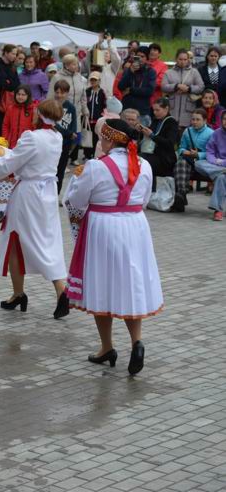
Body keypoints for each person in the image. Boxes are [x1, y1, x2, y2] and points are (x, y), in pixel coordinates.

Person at [65, 119, 162, 375]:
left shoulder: (95, 167)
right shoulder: (144, 164)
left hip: (104, 226)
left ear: (108, 140)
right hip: (135, 225)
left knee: (102, 284)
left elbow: (76, 199)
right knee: (132, 281)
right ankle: (136, 342)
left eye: (101, 137)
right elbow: (144, 199)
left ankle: (107, 346)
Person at [0, 99, 70, 318]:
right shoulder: (57, 137)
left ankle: (54, 291)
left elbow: (7, 165)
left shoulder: (32, 137)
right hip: (48, 194)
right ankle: (25, 293)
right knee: (46, 241)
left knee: (17, 241)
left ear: (40, 115)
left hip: (29, 194)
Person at [172, 109, 214, 212]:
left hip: (203, 162)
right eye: (193, 119)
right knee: (180, 163)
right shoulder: (187, 131)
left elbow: (212, 153)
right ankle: (181, 194)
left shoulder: (211, 133)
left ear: (204, 121)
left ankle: (180, 196)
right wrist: (184, 152)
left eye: (198, 120)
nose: (194, 122)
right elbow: (181, 148)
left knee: (181, 166)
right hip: (189, 160)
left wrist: (198, 154)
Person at [50, 54, 90, 163]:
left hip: (76, 112)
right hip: (60, 112)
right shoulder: (57, 77)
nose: (76, 66)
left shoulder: (79, 77)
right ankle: (58, 160)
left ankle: (66, 157)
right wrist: (51, 110)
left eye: (77, 63)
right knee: (62, 137)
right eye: (73, 64)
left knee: (76, 138)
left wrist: (85, 109)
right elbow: (50, 95)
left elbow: (83, 95)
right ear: (66, 65)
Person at [135, 97, 179, 187]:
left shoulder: (171, 122)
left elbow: (170, 143)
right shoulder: (156, 120)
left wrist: (152, 136)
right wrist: (141, 130)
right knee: (136, 158)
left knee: (140, 161)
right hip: (152, 154)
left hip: (165, 158)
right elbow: (149, 135)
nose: (155, 112)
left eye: (157, 110)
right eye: (154, 110)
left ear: (166, 108)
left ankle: (143, 188)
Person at [161, 49, 204, 130]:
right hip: (172, 108)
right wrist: (176, 86)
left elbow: (201, 87)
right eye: (180, 59)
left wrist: (189, 88)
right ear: (176, 59)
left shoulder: (194, 72)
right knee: (171, 132)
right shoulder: (169, 72)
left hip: (188, 108)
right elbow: (163, 87)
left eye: (185, 59)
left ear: (188, 60)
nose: (183, 61)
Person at [195, 112, 226, 220]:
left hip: (221, 164)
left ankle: (218, 210)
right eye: (224, 119)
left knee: (222, 178)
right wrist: (214, 162)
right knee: (198, 163)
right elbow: (210, 151)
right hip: (215, 165)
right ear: (222, 120)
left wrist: (221, 163)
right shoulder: (216, 133)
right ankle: (222, 171)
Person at [118, 47, 156, 125]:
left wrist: (131, 90)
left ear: (147, 58)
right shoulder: (129, 70)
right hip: (127, 110)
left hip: (142, 111)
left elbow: (149, 91)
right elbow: (120, 86)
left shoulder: (150, 72)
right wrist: (130, 72)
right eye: (138, 56)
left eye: (143, 57)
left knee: (140, 136)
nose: (140, 59)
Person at [0, 44, 20, 138]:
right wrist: (8, 83)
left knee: (7, 128)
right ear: (6, 53)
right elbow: (2, 83)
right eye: (13, 53)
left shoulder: (12, 67)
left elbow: (16, 84)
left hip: (9, 103)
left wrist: (8, 82)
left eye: (15, 54)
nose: (14, 56)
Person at [54, 80, 78, 193]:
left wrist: (73, 134)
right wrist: (69, 133)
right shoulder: (52, 105)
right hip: (53, 142)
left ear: (67, 93)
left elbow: (74, 124)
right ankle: (49, 192)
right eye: (57, 92)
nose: (59, 95)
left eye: (62, 93)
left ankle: (57, 193)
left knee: (61, 169)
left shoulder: (71, 107)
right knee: (52, 169)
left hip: (66, 143)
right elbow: (53, 125)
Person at [85, 72, 107, 159]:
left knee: (95, 137)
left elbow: (104, 105)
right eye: (92, 80)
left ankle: (94, 153)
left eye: (95, 80)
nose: (93, 82)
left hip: (97, 119)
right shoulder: (87, 91)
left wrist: (103, 115)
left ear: (99, 81)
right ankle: (87, 154)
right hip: (87, 118)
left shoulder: (102, 92)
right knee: (87, 136)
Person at [94, 33, 122, 97]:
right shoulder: (97, 67)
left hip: (110, 96)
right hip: (97, 96)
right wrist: (99, 43)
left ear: (110, 56)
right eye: (103, 53)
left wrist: (109, 43)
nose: (105, 54)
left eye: (107, 53)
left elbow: (117, 59)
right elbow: (94, 56)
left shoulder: (113, 67)